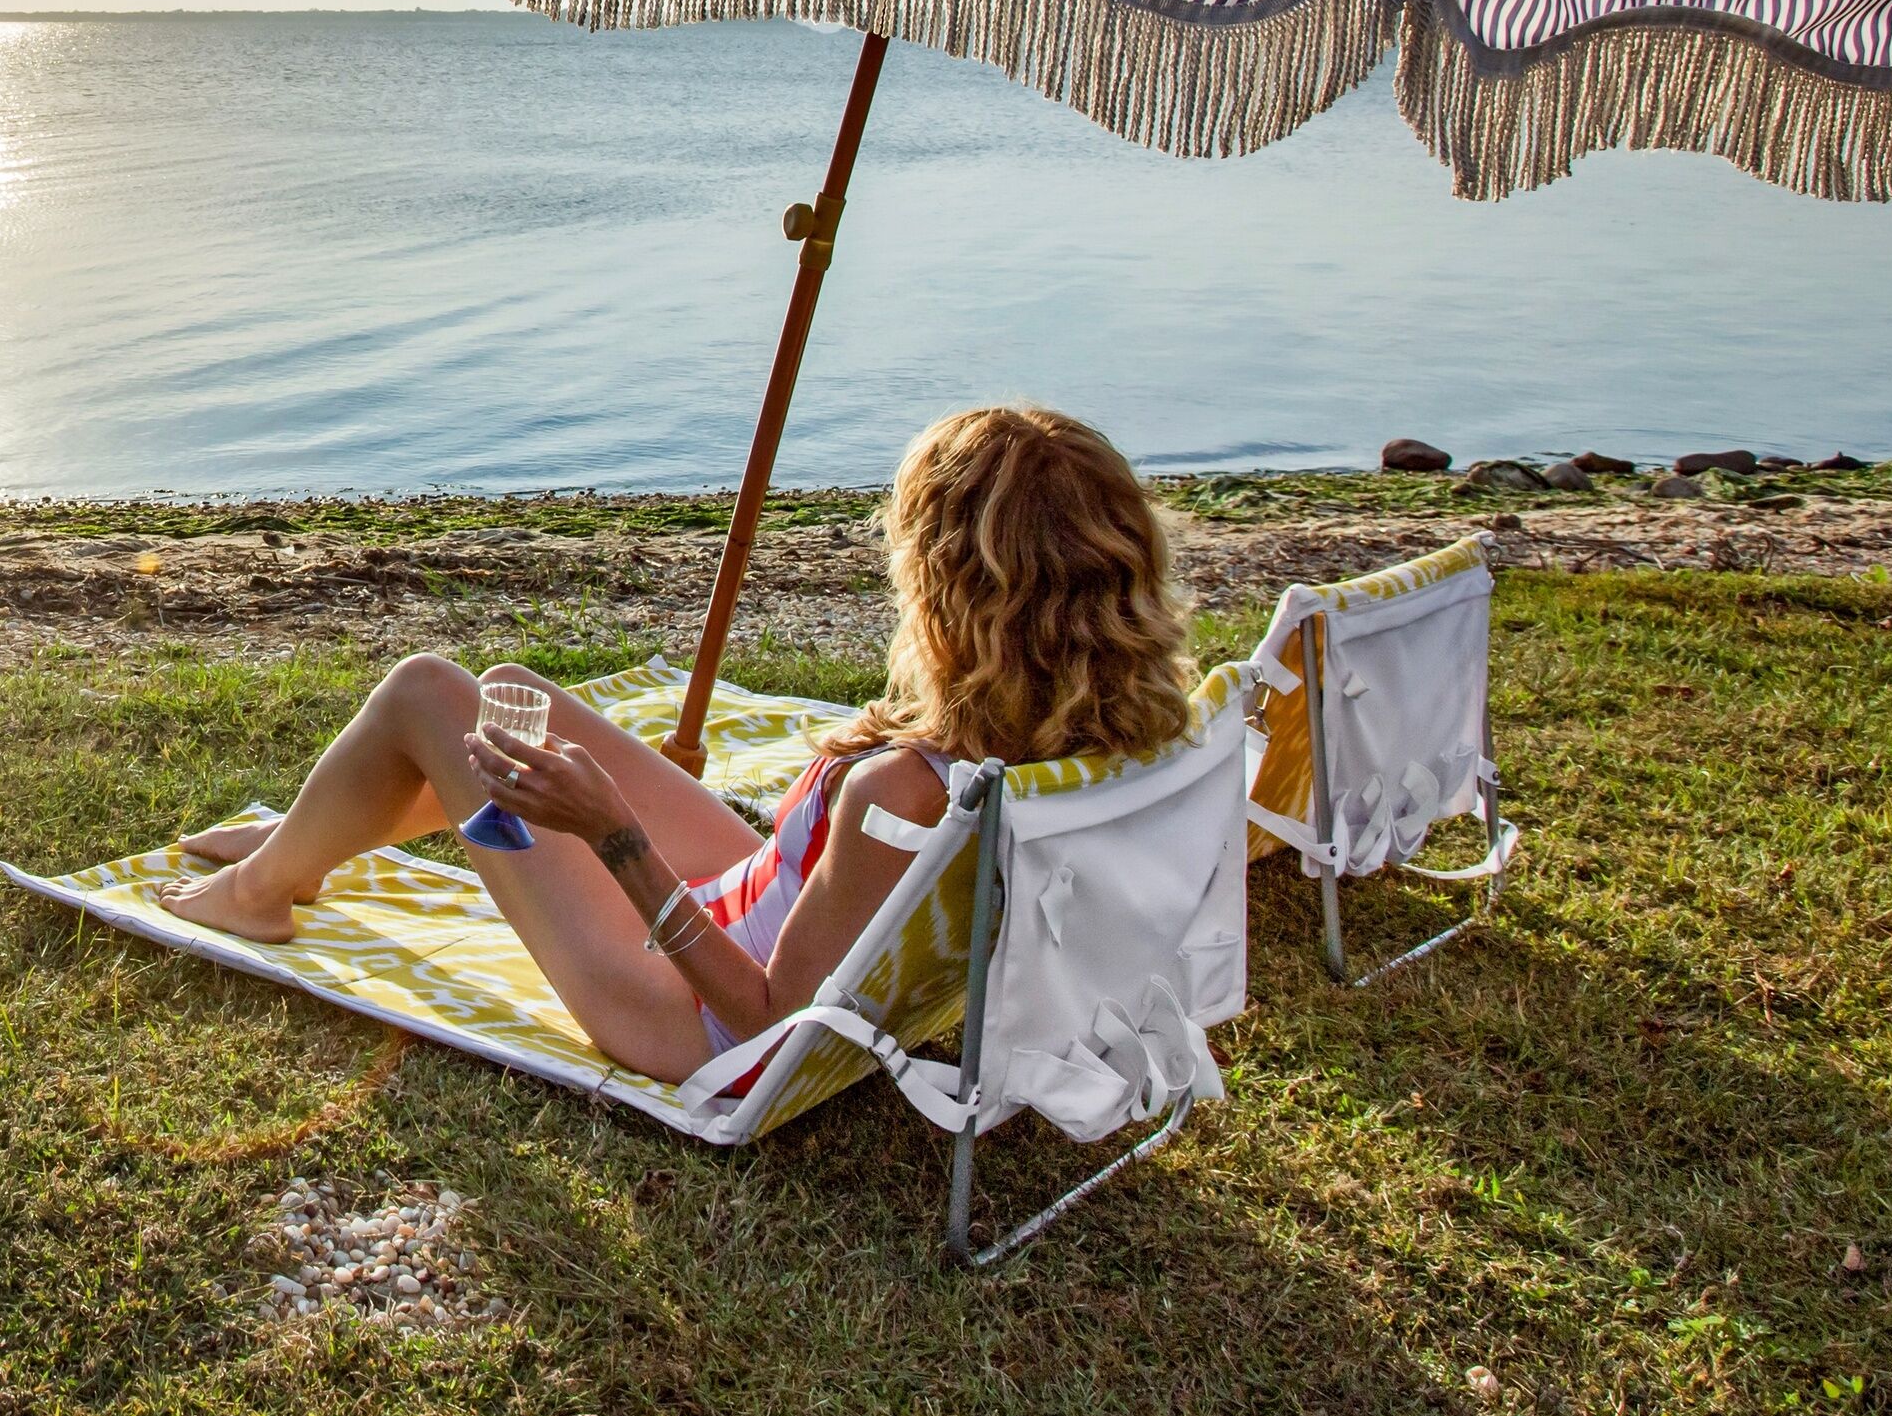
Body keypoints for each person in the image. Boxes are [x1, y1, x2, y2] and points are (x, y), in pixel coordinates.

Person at [153, 406, 1200, 1083]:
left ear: (950, 588)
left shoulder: (902, 794)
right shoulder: (1086, 734)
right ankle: (304, 840)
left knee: (430, 692)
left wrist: (615, 837)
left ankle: (264, 889)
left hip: (687, 1012)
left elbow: (768, 1018)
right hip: (764, 903)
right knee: (514, 699)